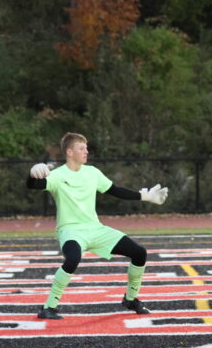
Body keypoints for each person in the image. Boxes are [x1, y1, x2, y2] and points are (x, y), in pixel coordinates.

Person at [26, 132, 169, 319]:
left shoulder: (92, 172)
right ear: (69, 152)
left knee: (139, 253)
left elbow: (115, 190)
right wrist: (32, 173)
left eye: (86, 148)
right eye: (81, 148)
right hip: (70, 230)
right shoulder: (58, 175)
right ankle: (49, 307)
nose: (86, 151)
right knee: (73, 258)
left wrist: (146, 196)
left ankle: (131, 299)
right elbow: (33, 186)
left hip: (95, 228)